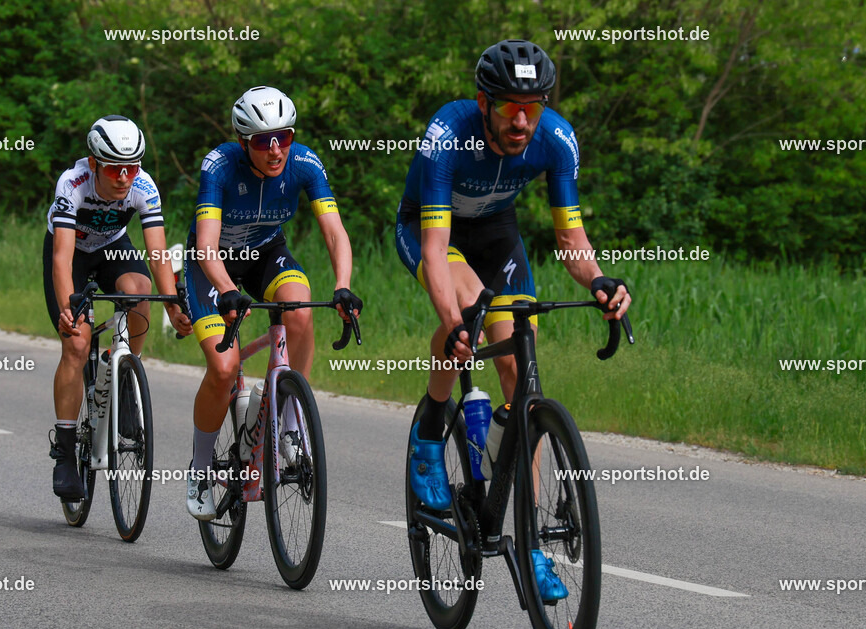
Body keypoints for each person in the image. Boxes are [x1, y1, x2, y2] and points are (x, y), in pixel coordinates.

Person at [395, 40, 631, 599]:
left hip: (498, 233)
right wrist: (453, 322)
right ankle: (431, 432)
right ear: (484, 103)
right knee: (471, 311)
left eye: (534, 105)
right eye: (509, 107)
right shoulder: (448, 133)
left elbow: (570, 237)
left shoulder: (556, 139)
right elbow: (434, 250)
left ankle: (527, 541)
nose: (522, 119)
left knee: (520, 375)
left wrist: (597, 279)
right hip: (432, 229)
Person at [184, 86, 361, 520]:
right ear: (244, 142)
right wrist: (225, 288)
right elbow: (206, 246)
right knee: (224, 369)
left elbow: (335, 232)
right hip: (214, 265)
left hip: (266, 255)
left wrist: (342, 285)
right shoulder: (220, 166)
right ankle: (200, 469)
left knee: (300, 311)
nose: (276, 148)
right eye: (264, 141)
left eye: (285, 136)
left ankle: (290, 423)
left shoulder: (304, 162)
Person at [45, 115, 191, 501]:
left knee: (141, 291)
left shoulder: (143, 185)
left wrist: (174, 304)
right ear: (94, 163)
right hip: (72, 253)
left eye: (132, 166)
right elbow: (61, 257)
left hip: (112, 247)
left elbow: (158, 253)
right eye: (115, 168)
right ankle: (63, 449)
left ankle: (125, 373)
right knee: (76, 342)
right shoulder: (71, 184)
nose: (125, 176)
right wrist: (67, 307)